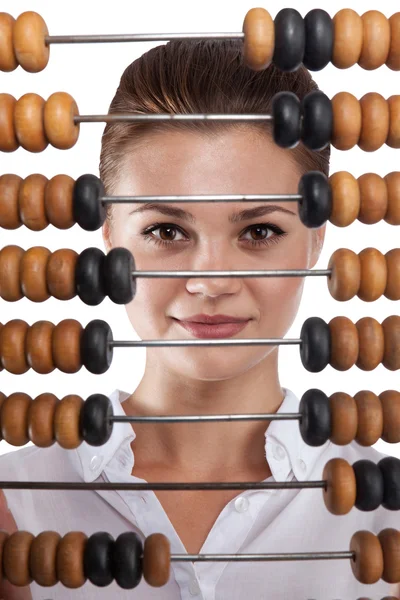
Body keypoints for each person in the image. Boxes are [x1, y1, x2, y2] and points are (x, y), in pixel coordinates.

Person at [0, 39, 398, 599]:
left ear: (316, 241)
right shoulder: (14, 507)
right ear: (109, 237)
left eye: (259, 231)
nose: (210, 281)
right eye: (166, 231)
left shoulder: (386, 517)